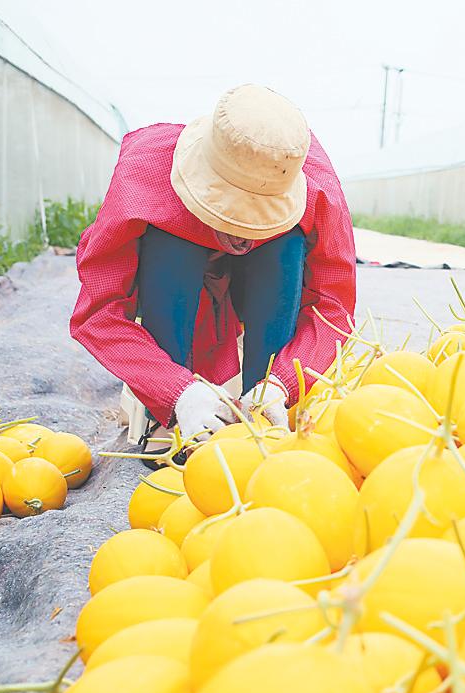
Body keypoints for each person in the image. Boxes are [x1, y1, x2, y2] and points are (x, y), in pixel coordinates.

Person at [70, 84, 357, 449]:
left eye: (256, 221)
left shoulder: (311, 181)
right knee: (169, 242)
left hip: (264, 280)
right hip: (172, 275)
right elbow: (98, 312)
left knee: (286, 246)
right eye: (231, 215)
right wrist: (174, 390)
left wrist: (282, 381)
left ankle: (262, 410)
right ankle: (166, 419)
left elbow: (333, 310)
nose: (240, 237)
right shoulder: (145, 174)